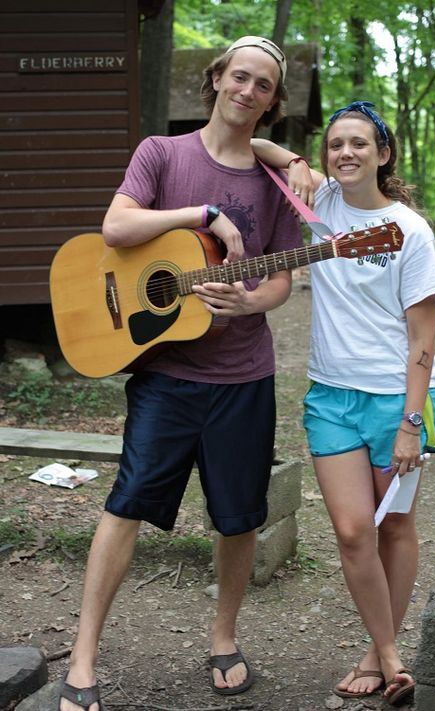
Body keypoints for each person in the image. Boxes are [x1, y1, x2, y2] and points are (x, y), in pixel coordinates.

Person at [58, 36, 302, 711]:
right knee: (125, 505)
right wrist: (205, 214)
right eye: (239, 77)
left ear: (272, 102)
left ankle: (223, 639)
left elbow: (282, 275)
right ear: (217, 79)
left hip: (243, 375)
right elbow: (116, 226)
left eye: (262, 86)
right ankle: (82, 658)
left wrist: (250, 300)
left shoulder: (277, 179)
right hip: (165, 373)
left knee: (239, 518)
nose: (246, 92)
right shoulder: (161, 154)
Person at [252, 100, 435, 706]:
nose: (346, 153)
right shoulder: (322, 207)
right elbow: (252, 145)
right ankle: (393, 655)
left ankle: (377, 654)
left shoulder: (410, 230)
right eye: (337, 143)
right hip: (331, 395)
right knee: (351, 529)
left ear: (383, 154)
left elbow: (423, 339)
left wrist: (412, 424)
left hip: (402, 398)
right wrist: (300, 163)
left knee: (395, 527)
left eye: (359, 143)